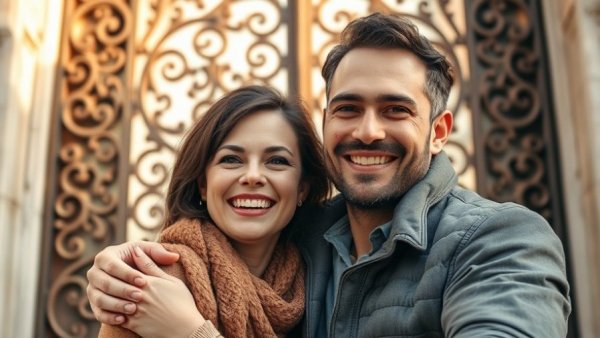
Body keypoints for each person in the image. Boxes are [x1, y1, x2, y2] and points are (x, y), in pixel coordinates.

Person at [87, 13, 571, 337]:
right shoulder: (297, 244)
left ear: (439, 130)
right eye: (348, 108)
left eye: (396, 109)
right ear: (326, 123)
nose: (367, 130)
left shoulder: (501, 240)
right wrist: (117, 267)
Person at [96, 85, 330, 337]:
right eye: (231, 159)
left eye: (276, 161)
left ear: (302, 189)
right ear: (203, 184)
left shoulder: (321, 286)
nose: (253, 176)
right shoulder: (154, 283)